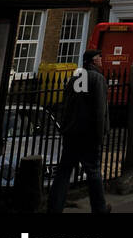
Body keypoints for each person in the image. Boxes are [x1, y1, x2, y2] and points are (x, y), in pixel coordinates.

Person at [47, 49, 111, 214]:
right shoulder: (97, 79)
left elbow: (65, 106)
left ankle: (54, 208)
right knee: (93, 172)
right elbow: (99, 111)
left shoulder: (75, 78)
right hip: (88, 135)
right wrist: (101, 134)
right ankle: (100, 208)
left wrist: (65, 128)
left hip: (71, 134)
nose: (102, 60)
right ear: (92, 61)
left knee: (63, 172)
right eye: (99, 57)